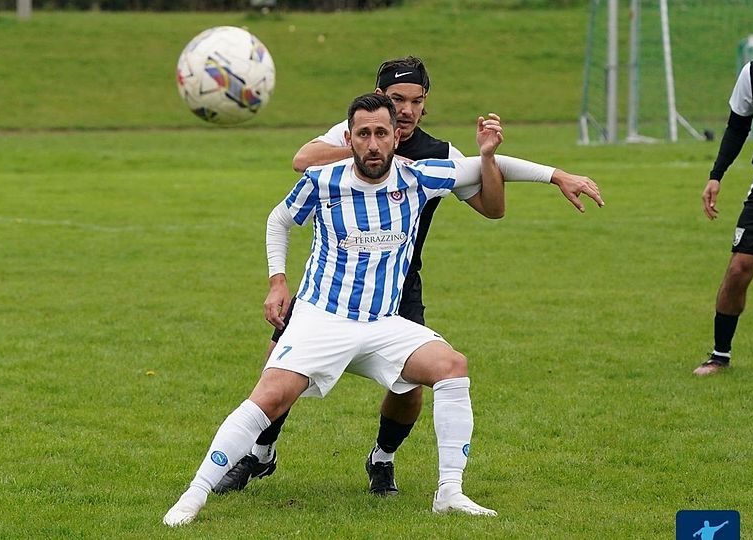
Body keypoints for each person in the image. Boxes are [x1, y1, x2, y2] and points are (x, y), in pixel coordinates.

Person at [214, 56, 604, 497]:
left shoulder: (439, 154)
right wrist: (374, 151)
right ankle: (260, 453)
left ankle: (382, 459)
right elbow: (302, 159)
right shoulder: (360, 132)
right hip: (335, 285)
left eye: (416, 101)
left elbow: (493, 208)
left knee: (411, 386)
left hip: (399, 284)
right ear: (379, 98)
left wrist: (531, 169)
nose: (406, 110)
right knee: (277, 364)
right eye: (397, 99)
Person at [164, 93, 506, 527]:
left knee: (453, 366)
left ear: (396, 138)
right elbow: (279, 219)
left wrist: (512, 162)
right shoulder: (322, 180)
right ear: (349, 138)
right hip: (321, 320)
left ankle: (450, 493)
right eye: (363, 134)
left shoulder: (420, 176)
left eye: (381, 133)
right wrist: (277, 280)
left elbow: (499, 174)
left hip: (383, 325)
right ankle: (194, 494)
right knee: (269, 396)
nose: (373, 144)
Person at [696, 59, 753, 376]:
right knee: (739, 268)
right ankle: (720, 355)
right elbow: (737, 127)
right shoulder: (752, 73)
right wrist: (716, 175)